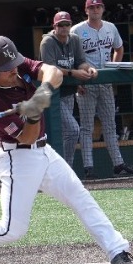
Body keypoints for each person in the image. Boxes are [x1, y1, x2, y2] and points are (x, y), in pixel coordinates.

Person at [0, 35, 133, 264]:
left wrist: (42, 91)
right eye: (6, 70)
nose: (13, 71)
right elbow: (26, 138)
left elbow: (54, 72)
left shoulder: (16, 64)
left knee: (80, 197)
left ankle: (117, 251)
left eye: (13, 65)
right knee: (13, 229)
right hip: (18, 159)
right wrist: (32, 115)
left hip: (44, 152)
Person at [70, 0, 133, 177]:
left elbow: (119, 48)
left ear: (103, 8)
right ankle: (88, 166)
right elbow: (71, 57)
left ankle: (118, 163)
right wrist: (77, 82)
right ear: (86, 10)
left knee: (110, 125)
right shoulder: (77, 30)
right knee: (87, 127)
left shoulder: (110, 27)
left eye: (98, 7)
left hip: (105, 82)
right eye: (92, 8)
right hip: (86, 84)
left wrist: (113, 68)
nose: (95, 10)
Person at [38, 10, 96, 163]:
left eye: (67, 24)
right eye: (60, 25)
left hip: (69, 93)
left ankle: (62, 168)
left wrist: (88, 69)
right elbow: (50, 68)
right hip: (52, 95)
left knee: (66, 133)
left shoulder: (75, 39)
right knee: (72, 130)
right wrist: (74, 73)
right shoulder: (48, 42)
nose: (64, 28)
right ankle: (66, 166)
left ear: (71, 25)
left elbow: (81, 61)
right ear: (54, 26)